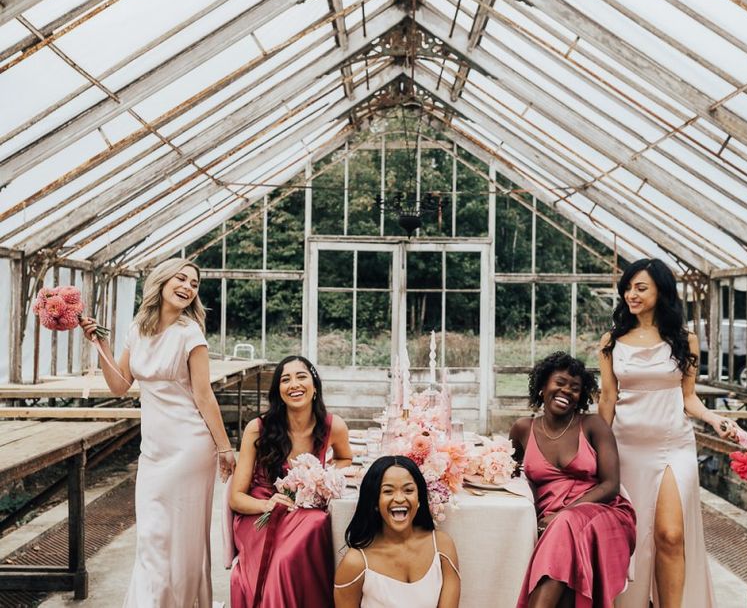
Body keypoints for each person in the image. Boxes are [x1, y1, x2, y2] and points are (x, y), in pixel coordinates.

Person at [80, 257, 234, 607]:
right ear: (162, 283)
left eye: (194, 283)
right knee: (152, 533)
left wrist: (224, 448)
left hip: (189, 447)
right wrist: (98, 345)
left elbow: (203, 394)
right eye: (181, 279)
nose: (188, 287)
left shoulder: (189, 333)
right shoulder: (138, 330)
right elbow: (120, 386)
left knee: (180, 535)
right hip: (154, 449)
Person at [598, 257, 741, 607]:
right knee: (632, 538)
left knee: (670, 535)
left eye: (640, 287)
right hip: (626, 448)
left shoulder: (684, 340)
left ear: (661, 290)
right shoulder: (611, 342)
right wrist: (597, 452)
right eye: (628, 288)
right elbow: (608, 399)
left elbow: (688, 397)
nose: (631, 294)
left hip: (673, 446)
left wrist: (715, 420)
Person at [511, 352, 636, 608]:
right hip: (555, 522)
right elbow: (508, 472)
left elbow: (610, 485)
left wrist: (563, 513)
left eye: (575, 388)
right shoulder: (522, 429)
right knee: (565, 573)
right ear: (543, 385)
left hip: (602, 513)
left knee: (565, 526)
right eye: (560, 382)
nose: (566, 391)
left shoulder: (593, 425)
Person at [229, 355, 352, 608]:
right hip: (259, 514)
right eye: (285, 380)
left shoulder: (333, 426)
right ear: (278, 392)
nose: (294, 384)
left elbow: (345, 458)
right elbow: (235, 497)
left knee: (317, 522)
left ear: (315, 386)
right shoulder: (258, 428)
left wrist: (321, 474)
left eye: (301, 376)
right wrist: (267, 506)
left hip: (304, 511)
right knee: (282, 559)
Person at [334, 455, 461, 608]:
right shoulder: (355, 563)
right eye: (388, 491)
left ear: (419, 498)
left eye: (408, 490)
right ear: (374, 501)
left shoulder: (442, 547)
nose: (400, 498)